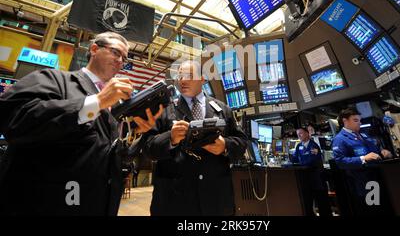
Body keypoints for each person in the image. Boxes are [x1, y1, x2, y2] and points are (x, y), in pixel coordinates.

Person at [0, 32, 163, 215]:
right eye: (116, 52)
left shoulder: (118, 107)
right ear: (94, 49)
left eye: (124, 58)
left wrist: (136, 134)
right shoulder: (53, 79)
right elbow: (15, 120)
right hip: (46, 204)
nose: (120, 60)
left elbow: (114, 156)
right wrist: (97, 102)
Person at [140, 60, 249, 216]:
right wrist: (169, 138)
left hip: (215, 197)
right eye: (180, 76)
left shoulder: (223, 109)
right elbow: (148, 148)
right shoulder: (163, 109)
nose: (182, 80)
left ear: (203, 79)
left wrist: (225, 145)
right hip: (174, 199)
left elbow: (242, 143)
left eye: (189, 76)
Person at [332, 108, 392, 215]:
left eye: (360, 120)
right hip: (363, 182)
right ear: (345, 121)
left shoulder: (362, 134)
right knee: (373, 210)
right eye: (356, 120)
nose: (360, 123)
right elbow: (340, 161)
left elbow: (374, 150)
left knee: (383, 208)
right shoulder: (340, 139)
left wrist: (382, 151)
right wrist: (363, 158)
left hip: (377, 176)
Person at [293, 127, 332, 216]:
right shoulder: (299, 146)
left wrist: (301, 163)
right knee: (307, 203)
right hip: (306, 179)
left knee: (322, 202)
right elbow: (294, 158)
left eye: (301, 133)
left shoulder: (313, 145)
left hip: (317, 178)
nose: (299, 135)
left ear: (307, 134)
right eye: (297, 134)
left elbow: (312, 161)